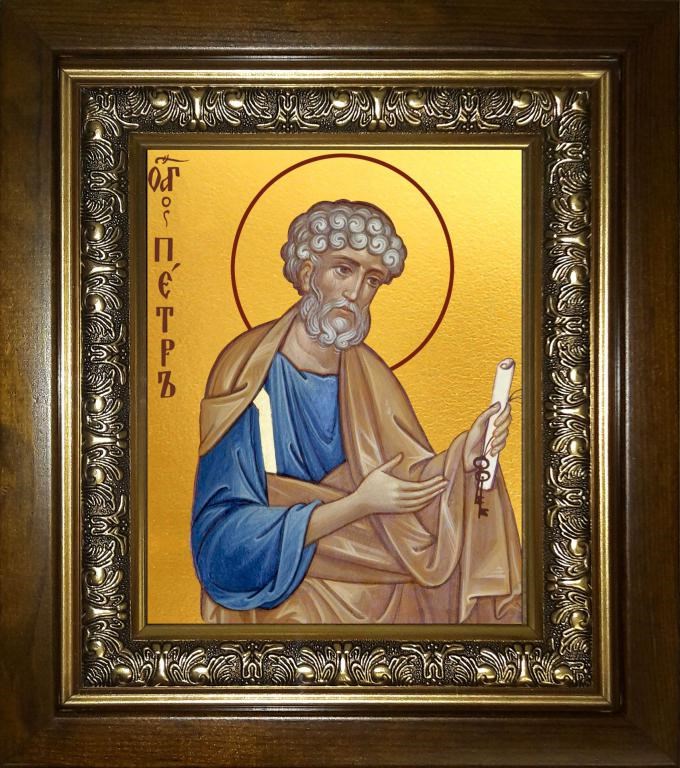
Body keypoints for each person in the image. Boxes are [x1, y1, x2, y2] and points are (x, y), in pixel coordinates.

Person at [191, 200, 522, 624]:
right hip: (286, 583)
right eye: (343, 270)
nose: (355, 292)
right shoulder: (247, 371)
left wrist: (463, 458)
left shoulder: (370, 375)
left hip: (377, 574)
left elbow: (404, 483)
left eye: (371, 280)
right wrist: (357, 505)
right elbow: (222, 541)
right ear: (308, 273)